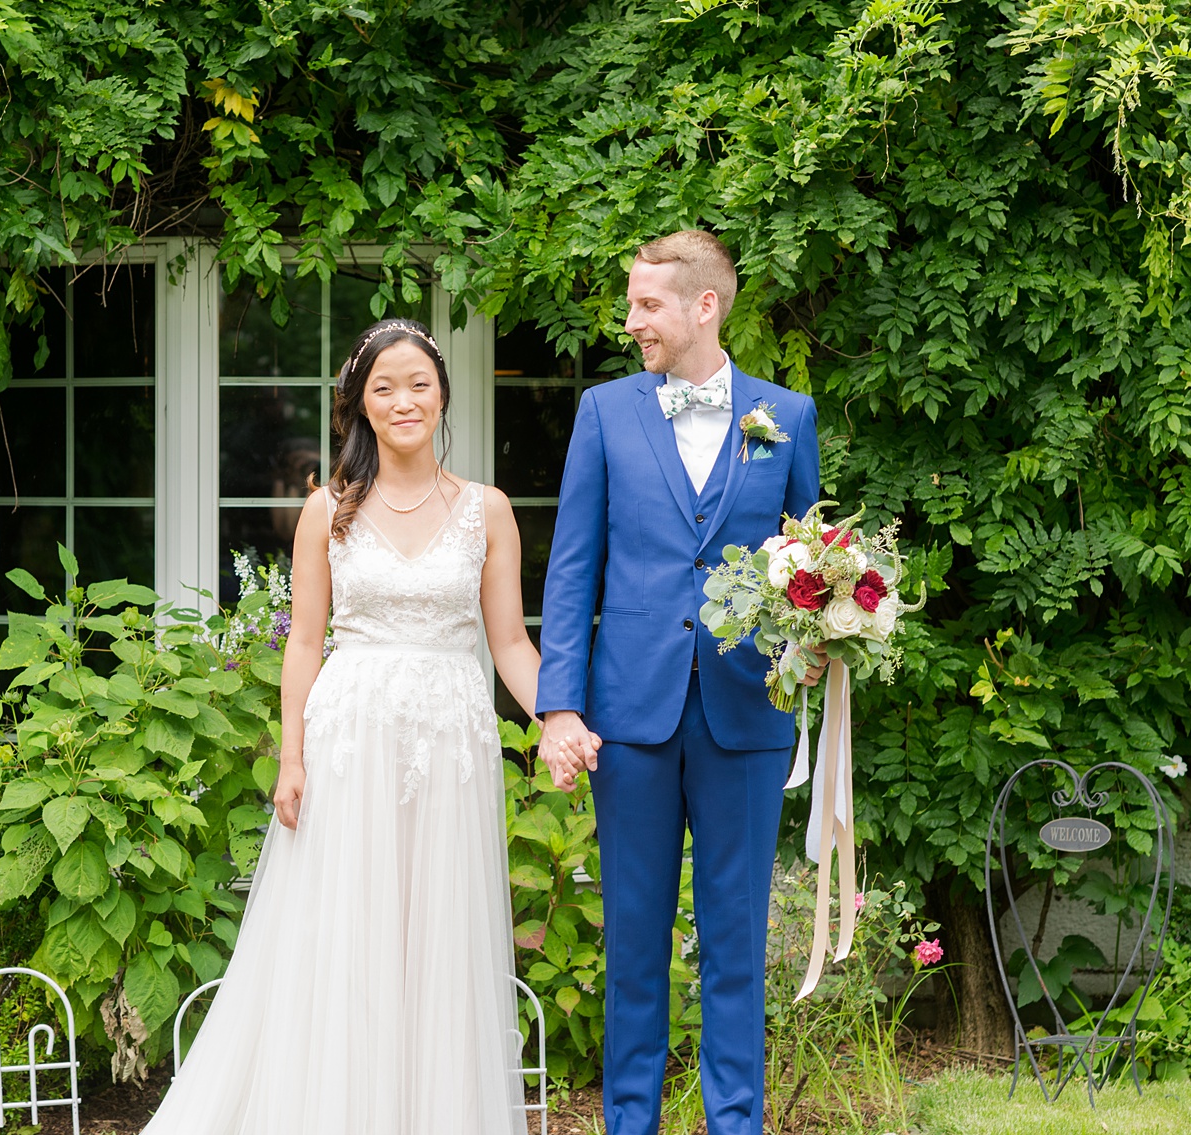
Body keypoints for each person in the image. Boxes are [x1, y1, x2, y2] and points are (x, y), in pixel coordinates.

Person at [143, 318, 571, 1135]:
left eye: (419, 384)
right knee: (344, 936)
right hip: (351, 738)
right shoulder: (326, 511)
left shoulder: (489, 510)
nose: (403, 399)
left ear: (443, 395)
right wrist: (291, 756)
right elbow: (305, 640)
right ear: (359, 405)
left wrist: (557, 716)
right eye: (384, 387)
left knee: (438, 941)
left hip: (449, 743)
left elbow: (510, 640)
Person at [536, 231, 823, 1135]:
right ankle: (632, 1122)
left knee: (736, 941)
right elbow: (573, 566)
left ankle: (736, 1122)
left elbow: (810, 568)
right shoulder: (604, 412)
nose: (631, 322)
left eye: (647, 304)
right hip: (630, 716)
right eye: (631, 303)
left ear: (706, 306)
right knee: (632, 944)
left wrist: (820, 640)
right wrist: (561, 705)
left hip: (746, 716)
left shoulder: (787, 416)